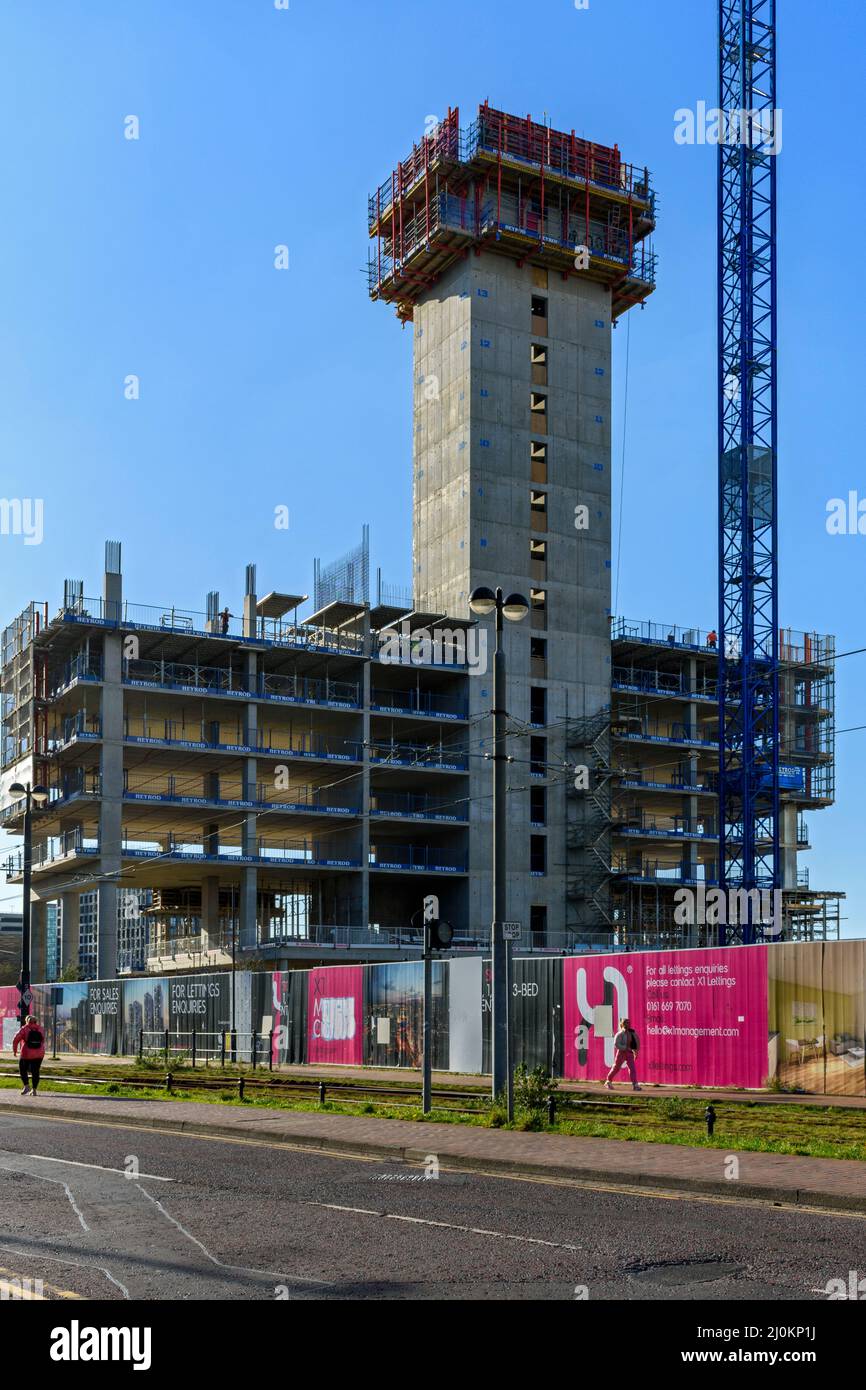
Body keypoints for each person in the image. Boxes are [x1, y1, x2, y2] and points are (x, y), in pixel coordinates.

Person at [13, 1014, 46, 1096]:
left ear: (27, 1021)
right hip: (40, 1053)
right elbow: (43, 1040)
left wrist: (15, 1051)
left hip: (26, 1053)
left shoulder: (24, 1029)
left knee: (22, 1069)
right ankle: (34, 1090)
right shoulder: (40, 1029)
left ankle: (26, 1086)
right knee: (36, 1071)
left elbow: (16, 1039)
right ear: (36, 1021)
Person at [604, 1016, 641, 1091]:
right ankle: (608, 1081)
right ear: (622, 1024)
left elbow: (636, 1042)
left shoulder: (632, 1033)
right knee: (616, 1068)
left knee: (632, 1069)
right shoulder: (619, 1034)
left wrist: (635, 1052)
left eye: (628, 1023)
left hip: (630, 1054)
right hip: (621, 1053)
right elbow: (616, 1044)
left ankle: (635, 1085)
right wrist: (625, 1048)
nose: (627, 1024)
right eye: (625, 1023)